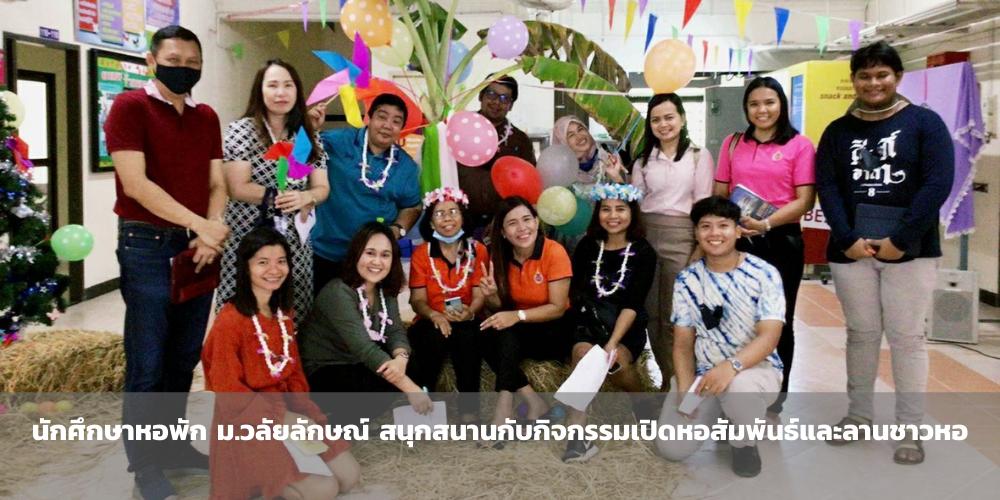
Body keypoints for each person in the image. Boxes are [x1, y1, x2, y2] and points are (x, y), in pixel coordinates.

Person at [104, 25, 230, 500]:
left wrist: (210, 230)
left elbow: (217, 183)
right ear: (152, 61)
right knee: (149, 362)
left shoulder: (206, 116)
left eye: (193, 62)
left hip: (197, 248)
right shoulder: (129, 107)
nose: (184, 69)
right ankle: (145, 465)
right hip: (147, 246)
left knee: (183, 357)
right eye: (174, 60)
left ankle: (173, 445)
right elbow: (136, 184)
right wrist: (201, 225)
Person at [816, 41, 954, 465]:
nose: (873, 83)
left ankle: (910, 428)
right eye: (865, 75)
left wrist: (901, 239)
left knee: (907, 338)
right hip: (852, 252)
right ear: (853, 80)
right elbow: (829, 187)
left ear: (897, 77)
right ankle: (858, 415)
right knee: (860, 334)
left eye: (882, 74)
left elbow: (937, 183)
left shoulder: (925, 123)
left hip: (910, 252)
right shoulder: (837, 131)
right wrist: (847, 238)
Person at [202, 227, 359, 500]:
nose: (274, 270)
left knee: (349, 477)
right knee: (324, 490)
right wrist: (282, 419)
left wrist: (307, 415)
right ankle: (267, 482)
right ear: (245, 267)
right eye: (263, 262)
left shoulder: (283, 311)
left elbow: (293, 370)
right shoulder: (230, 320)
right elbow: (228, 393)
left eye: (281, 261)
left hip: (287, 410)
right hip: (248, 422)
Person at [655, 196, 784, 478]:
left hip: (754, 370)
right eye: (706, 226)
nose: (714, 233)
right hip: (704, 375)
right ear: (696, 233)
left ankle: (743, 443)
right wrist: (685, 389)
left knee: (740, 390)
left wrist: (731, 367)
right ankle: (720, 416)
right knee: (672, 447)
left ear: (738, 230)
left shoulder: (764, 274)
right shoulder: (687, 280)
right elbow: (682, 344)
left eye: (723, 225)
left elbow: (769, 337)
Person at [713, 76, 816, 421]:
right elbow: (720, 190)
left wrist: (766, 223)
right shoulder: (732, 143)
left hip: (781, 241)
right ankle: (736, 389)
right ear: (746, 108)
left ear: (781, 105)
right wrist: (731, 222)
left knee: (777, 320)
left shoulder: (800, 145)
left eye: (769, 102)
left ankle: (774, 399)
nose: (762, 110)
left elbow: (805, 200)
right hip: (739, 241)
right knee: (736, 318)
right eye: (754, 103)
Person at [218, 59, 330, 324]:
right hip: (249, 238)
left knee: (292, 313)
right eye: (273, 85)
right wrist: (278, 198)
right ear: (260, 91)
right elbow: (237, 187)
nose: (281, 93)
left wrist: (307, 196)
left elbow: (322, 187)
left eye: (288, 85)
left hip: (293, 245)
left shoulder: (306, 135)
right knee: (244, 314)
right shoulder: (242, 130)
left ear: (297, 91)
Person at [299, 222, 433, 425]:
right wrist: (410, 388)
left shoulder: (384, 288)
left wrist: (401, 359)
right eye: (370, 253)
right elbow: (364, 349)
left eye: (385, 255)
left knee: (411, 363)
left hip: (355, 362)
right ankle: (335, 421)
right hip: (326, 368)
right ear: (356, 254)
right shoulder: (338, 292)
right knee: (376, 388)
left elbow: (395, 331)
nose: (377, 262)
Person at [562, 183, 656, 463]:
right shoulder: (587, 246)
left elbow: (633, 303)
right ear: (597, 214)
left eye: (620, 209)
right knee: (583, 355)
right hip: (589, 320)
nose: (613, 216)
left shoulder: (644, 252)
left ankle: (640, 401)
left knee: (616, 362)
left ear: (632, 213)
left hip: (625, 324)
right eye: (606, 209)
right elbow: (576, 291)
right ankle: (577, 438)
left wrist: (613, 342)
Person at [630, 93, 715, 389]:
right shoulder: (643, 160)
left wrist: (699, 248)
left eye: (669, 117)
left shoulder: (698, 156)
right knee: (652, 315)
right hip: (646, 236)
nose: (663, 124)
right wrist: (617, 176)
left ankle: (683, 380)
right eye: (656, 119)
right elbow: (636, 202)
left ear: (682, 119)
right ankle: (668, 379)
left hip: (683, 237)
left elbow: (703, 205)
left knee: (676, 316)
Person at [478, 196, 573, 448]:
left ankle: (503, 410)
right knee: (484, 332)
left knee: (507, 334)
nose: (522, 228)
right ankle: (533, 401)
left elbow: (557, 308)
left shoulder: (554, 251)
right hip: (520, 332)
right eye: (512, 223)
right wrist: (491, 296)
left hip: (555, 330)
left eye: (526, 219)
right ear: (502, 232)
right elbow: (501, 309)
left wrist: (517, 316)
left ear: (537, 222)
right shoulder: (499, 257)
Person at [307, 94, 422, 293]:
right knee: (320, 310)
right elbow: (295, 160)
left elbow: (412, 206)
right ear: (369, 118)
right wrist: (309, 129)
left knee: (368, 312)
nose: (388, 125)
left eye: (396, 121)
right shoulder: (336, 142)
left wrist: (398, 229)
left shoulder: (407, 167)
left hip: (372, 262)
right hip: (325, 253)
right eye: (382, 117)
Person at [407, 187, 490, 427]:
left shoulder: (478, 250)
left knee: (468, 338)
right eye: (439, 213)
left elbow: (479, 294)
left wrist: (470, 312)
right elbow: (417, 300)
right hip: (430, 319)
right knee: (431, 339)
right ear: (430, 222)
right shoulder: (422, 254)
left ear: (463, 217)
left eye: (453, 211)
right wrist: (435, 315)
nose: (447, 218)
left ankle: (469, 412)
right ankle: (424, 410)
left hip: (467, 318)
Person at [457, 76, 537, 238]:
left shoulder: (520, 141)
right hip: (459, 224)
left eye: (504, 98)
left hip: (502, 229)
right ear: (481, 96)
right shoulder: (459, 128)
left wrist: (502, 220)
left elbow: (528, 189)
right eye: (492, 94)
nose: (496, 102)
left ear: (511, 105)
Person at [551, 115, 628, 194]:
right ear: (563, 142)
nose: (579, 137)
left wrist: (615, 176)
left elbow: (625, 197)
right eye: (571, 135)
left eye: (580, 129)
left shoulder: (608, 158)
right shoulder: (561, 171)